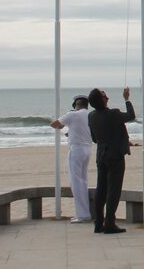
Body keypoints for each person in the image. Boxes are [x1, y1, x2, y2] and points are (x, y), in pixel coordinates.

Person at [87, 86, 135, 234]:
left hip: (101, 155)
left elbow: (94, 138)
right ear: (101, 100)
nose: (106, 96)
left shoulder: (91, 116)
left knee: (101, 189)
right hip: (115, 155)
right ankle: (109, 223)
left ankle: (98, 223)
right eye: (104, 95)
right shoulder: (113, 114)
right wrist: (126, 99)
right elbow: (131, 115)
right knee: (113, 190)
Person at [50, 95, 93, 223]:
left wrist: (64, 126)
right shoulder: (89, 115)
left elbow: (55, 124)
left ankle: (82, 214)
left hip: (76, 149)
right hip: (88, 148)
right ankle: (85, 212)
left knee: (75, 182)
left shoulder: (73, 114)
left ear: (76, 105)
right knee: (83, 181)